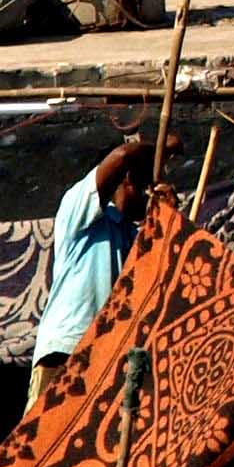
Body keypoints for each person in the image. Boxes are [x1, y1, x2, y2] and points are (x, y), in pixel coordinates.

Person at [29, 136, 154, 412]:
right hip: (67, 348)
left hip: (107, 357)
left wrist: (167, 214)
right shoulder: (81, 209)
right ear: (125, 180)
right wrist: (157, 149)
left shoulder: (133, 237)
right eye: (144, 187)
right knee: (45, 436)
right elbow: (122, 155)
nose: (148, 196)